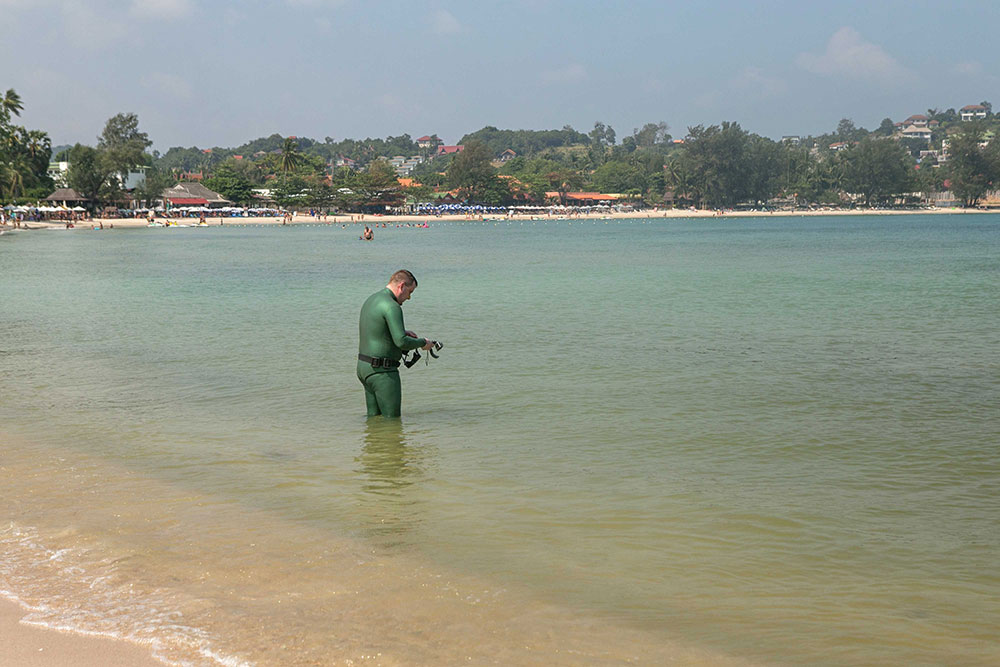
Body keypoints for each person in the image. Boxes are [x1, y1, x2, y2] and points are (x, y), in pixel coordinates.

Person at [357, 269, 436, 418]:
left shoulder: (372, 299)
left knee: (374, 420)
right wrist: (422, 343)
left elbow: (376, 328)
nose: (409, 297)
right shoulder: (392, 306)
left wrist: (402, 331)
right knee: (392, 422)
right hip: (383, 372)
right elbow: (401, 342)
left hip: (364, 369)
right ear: (401, 286)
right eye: (410, 292)